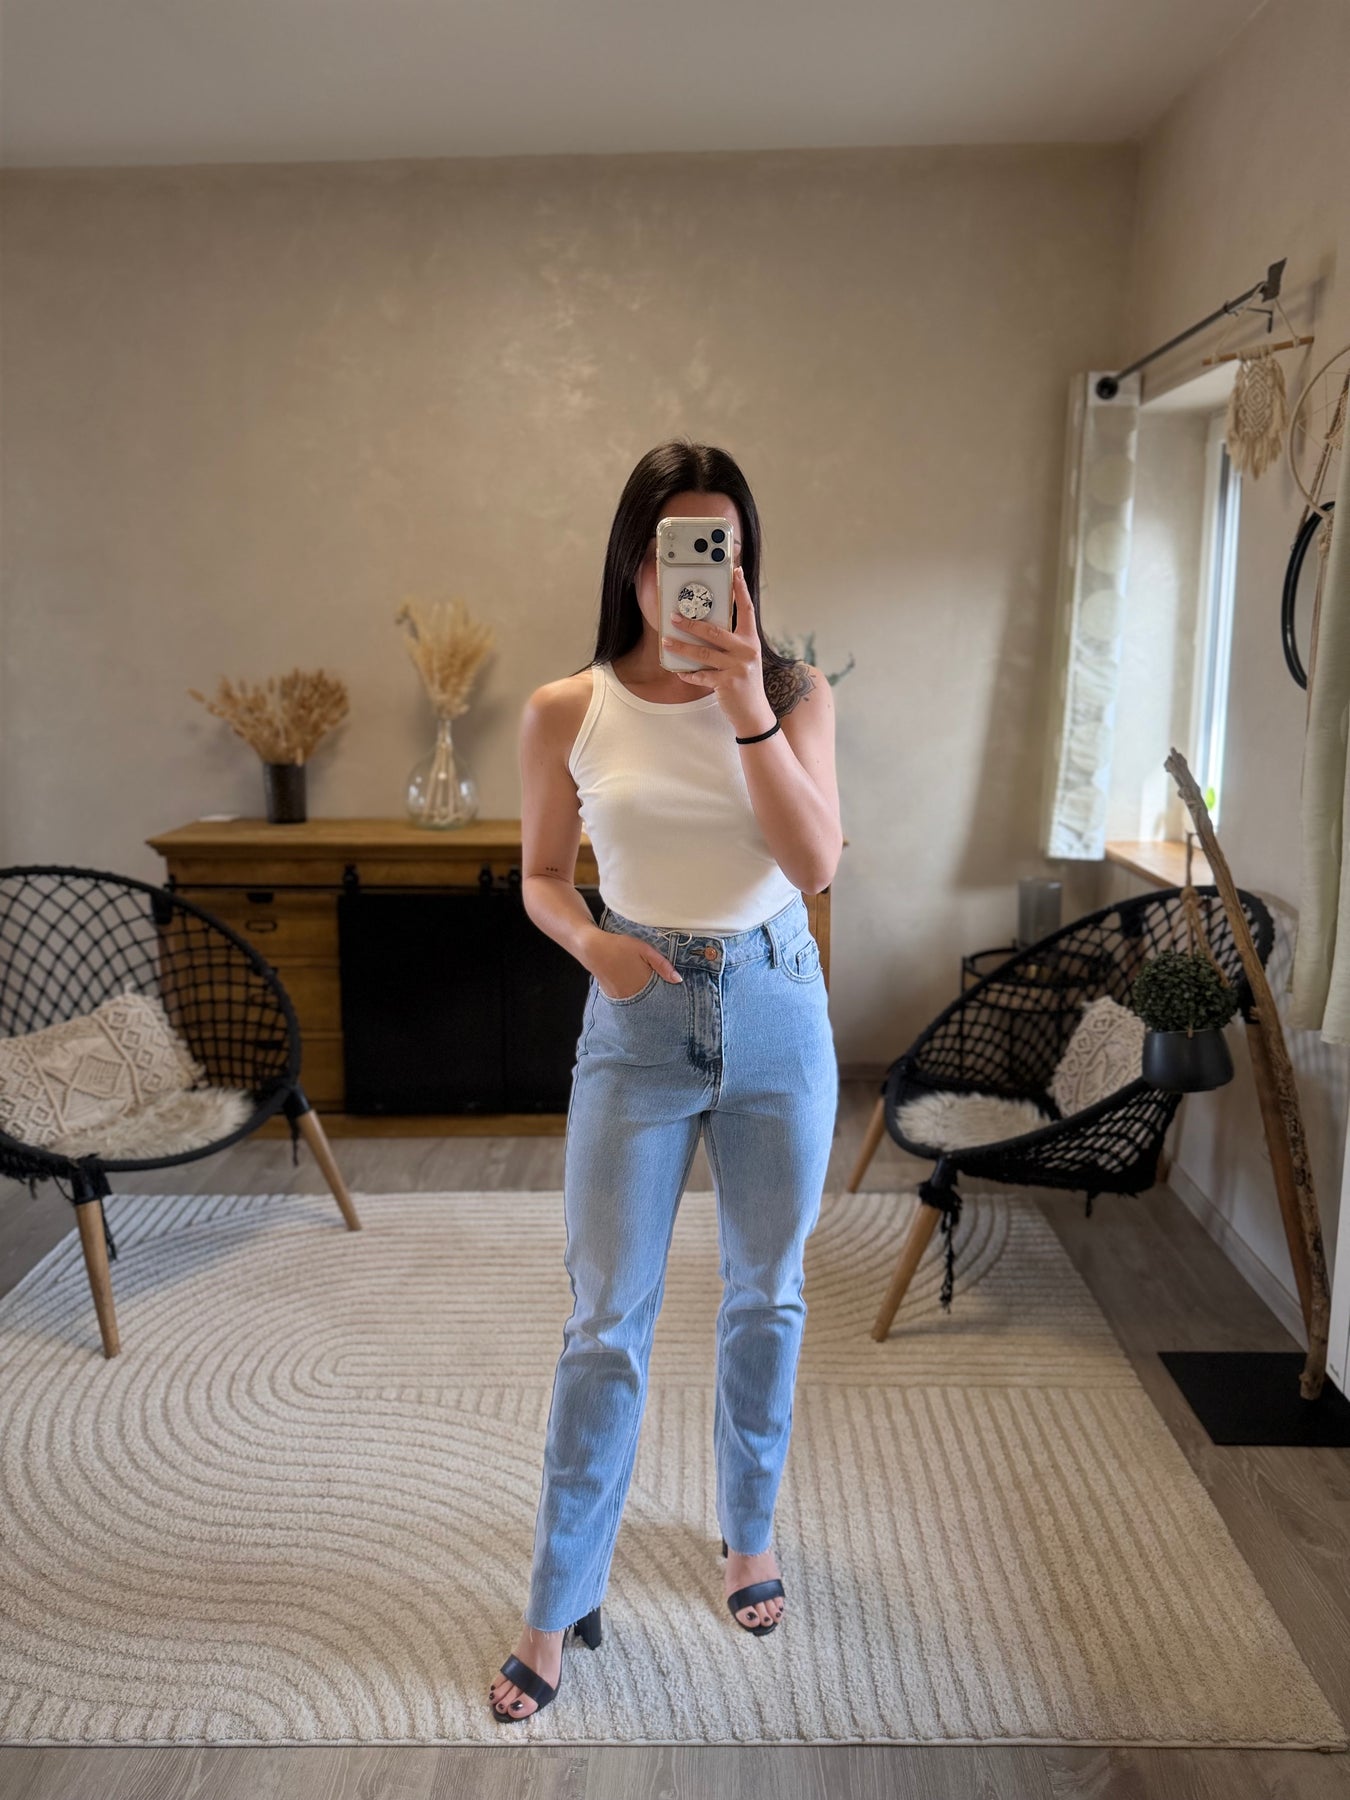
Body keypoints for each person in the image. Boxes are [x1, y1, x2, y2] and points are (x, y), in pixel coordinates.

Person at [489, 438, 842, 1722]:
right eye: (674, 548)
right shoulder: (565, 708)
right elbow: (541, 876)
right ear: (633, 561)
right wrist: (595, 947)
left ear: (744, 565)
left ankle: (749, 1535)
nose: (695, 572)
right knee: (605, 1322)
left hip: (777, 1009)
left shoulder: (794, 692)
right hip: (636, 1020)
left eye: (720, 548)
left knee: (766, 1295)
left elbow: (816, 865)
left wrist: (745, 702)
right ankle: (557, 1596)